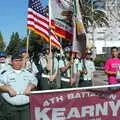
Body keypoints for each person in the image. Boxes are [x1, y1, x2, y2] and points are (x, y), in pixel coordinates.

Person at [0, 53, 38, 120]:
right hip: (11, 108)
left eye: (20, 60)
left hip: (26, 107)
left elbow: (34, 81)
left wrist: (30, 86)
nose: (18, 63)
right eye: (16, 60)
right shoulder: (5, 74)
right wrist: (8, 88)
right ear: (11, 62)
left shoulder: (28, 73)